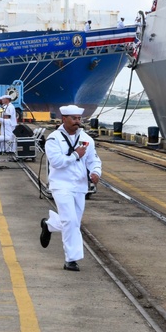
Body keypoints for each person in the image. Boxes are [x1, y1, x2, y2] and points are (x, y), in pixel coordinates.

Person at [39, 104, 102, 271]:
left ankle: (50, 224)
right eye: (74, 118)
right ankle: (71, 260)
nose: (77, 121)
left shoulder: (87, 139)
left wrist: (96, 172)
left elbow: (93, 160)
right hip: (61, 185)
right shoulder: (54, 139)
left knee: (73, 222)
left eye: (79, 118)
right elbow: (57, 162)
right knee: (71, 221)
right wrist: (75, 155)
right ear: (64, 119)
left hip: (80, 186)